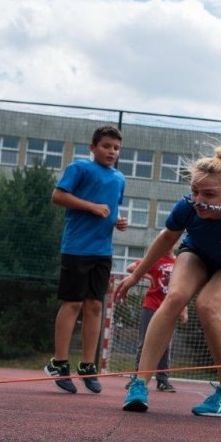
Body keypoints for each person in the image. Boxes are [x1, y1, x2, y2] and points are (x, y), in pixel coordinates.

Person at [114, 144, 221, 416]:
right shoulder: (187, 206)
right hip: (196, 254)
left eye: (209, 194)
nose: (198, 199)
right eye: (195, 191)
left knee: (207, 306)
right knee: (174, 298)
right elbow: (166, 240)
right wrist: (136, 275)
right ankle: (139, 383)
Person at [44, 125, 127, 394]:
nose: (111, 152)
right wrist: (91, 207)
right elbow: (57, 196)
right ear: (93, 148)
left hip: (102, 252)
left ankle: (88, 366)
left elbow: (109, 210)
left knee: (94, 306)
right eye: (105, 146)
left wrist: (118, 222)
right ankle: (59, 362)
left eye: (115, 148)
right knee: (73, 303)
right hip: (77, 248)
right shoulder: (79, 169)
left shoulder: (119, 179)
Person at [123, 248, 188, 393]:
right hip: (151, 306)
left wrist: (184, 308)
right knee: (144, 342)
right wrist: (146, 275)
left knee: (165, 345)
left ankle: (163, 380)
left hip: (169, 308)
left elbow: (184, 287)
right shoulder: (155, 259)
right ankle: (136, 378)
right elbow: (130, 267)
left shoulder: (179, 262)